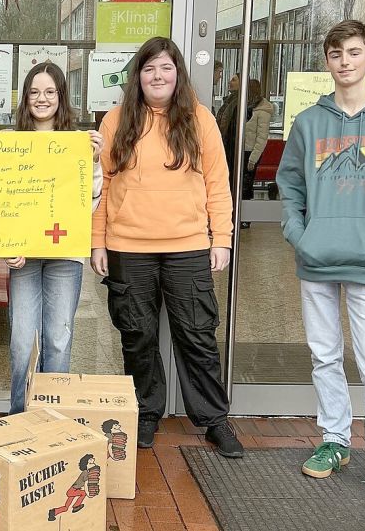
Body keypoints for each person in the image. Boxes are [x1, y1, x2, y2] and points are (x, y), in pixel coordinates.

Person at [276, 20, 365, 513]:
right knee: (324, 356)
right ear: (328, 61)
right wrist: (300, 235)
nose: (345, 61)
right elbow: (291, 184)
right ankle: (334, 440)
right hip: (317, 259)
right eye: (336, 53)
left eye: (354, 52)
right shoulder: (308, 123)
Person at [90, 36, 244, 459]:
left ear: (177, 74)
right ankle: (145, 414)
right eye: (149, 68)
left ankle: (214, 421)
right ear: (137, 76)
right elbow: (99, 190)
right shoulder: (116, 121)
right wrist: (97, 241)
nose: (157, 76)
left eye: (166, 68)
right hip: (127, 248)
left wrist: (222, 238)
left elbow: (217, 185)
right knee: (137, 336)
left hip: (188, 247)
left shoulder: (200, 120)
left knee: (196, 336)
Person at [5, 62, 104, 414]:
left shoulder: (79, 143)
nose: (42, 99)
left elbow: (90, 200)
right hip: (24, 257)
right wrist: (5, 246)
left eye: (50, 92)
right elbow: (2, 201)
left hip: (65, 256)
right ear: (25, 98)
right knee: (21, 342)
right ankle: (19, 417)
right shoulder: (11, 144)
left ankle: (51, 417)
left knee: (59, 340)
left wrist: (93, 161)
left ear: (61, 97)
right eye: (34, 92)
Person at [241, 79, 273, 209]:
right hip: (241, 151)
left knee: (246, 187)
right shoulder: (247, 107)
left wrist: (253, 159)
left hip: (250, 152)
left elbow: (261, 138)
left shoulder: (262, 111)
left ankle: (245, 216)